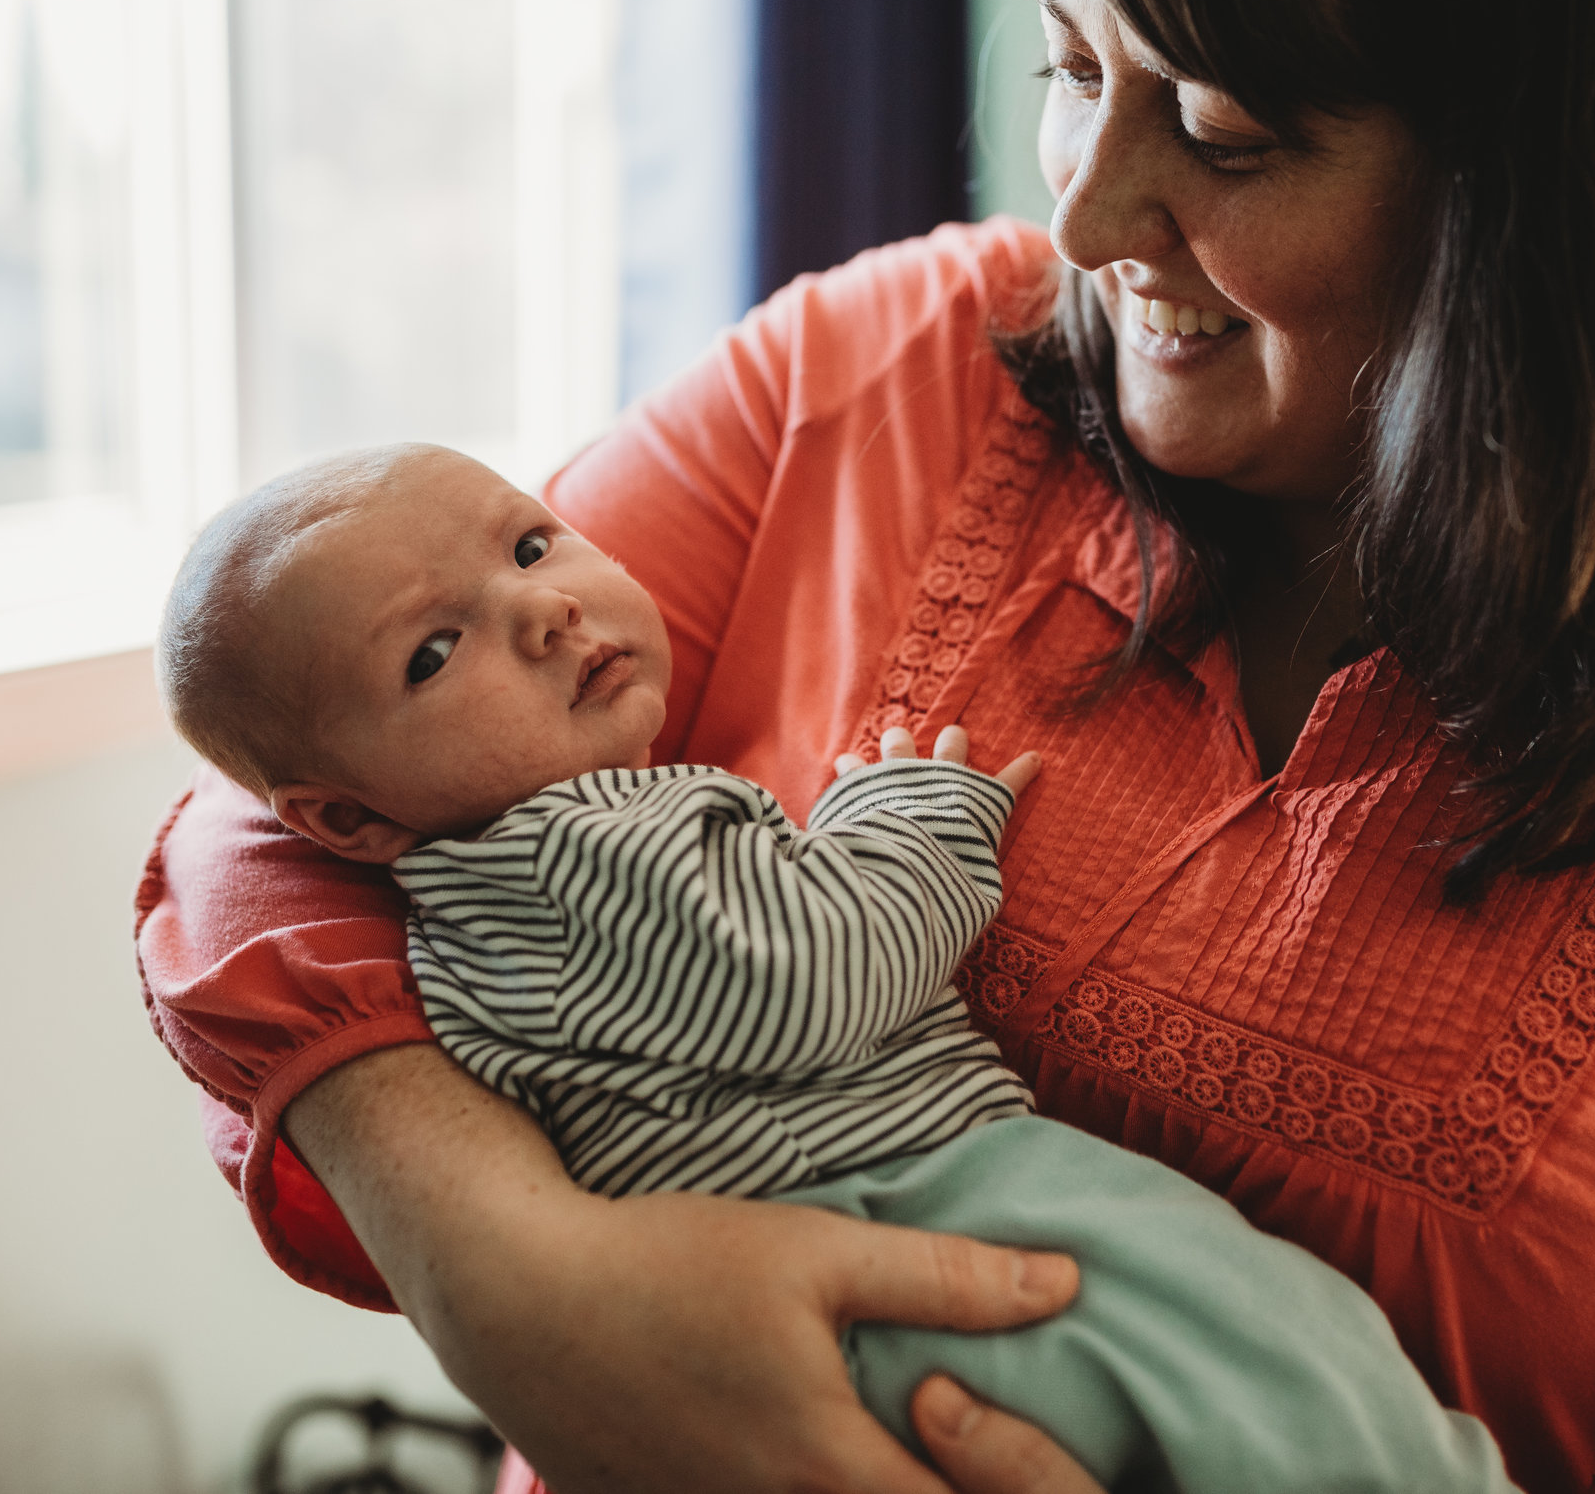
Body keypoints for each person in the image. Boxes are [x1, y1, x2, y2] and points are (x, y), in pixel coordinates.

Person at [133, 0, 1595, 1490]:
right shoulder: (879, 370)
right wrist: (524, 1285)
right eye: (1060, 56)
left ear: (1575, 173)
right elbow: (264, 831)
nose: (1085, 208)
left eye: (1222, 124)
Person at [153, 442, 1519, 1494]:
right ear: (345, 819)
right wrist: (915, 817)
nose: (544, 612)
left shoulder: (532, 859)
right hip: (898, 1218)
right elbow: (811, 981)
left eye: (527, 542)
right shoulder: (562, 856)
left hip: (879, 1234)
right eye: (434, 650)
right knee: (1264, 1340)